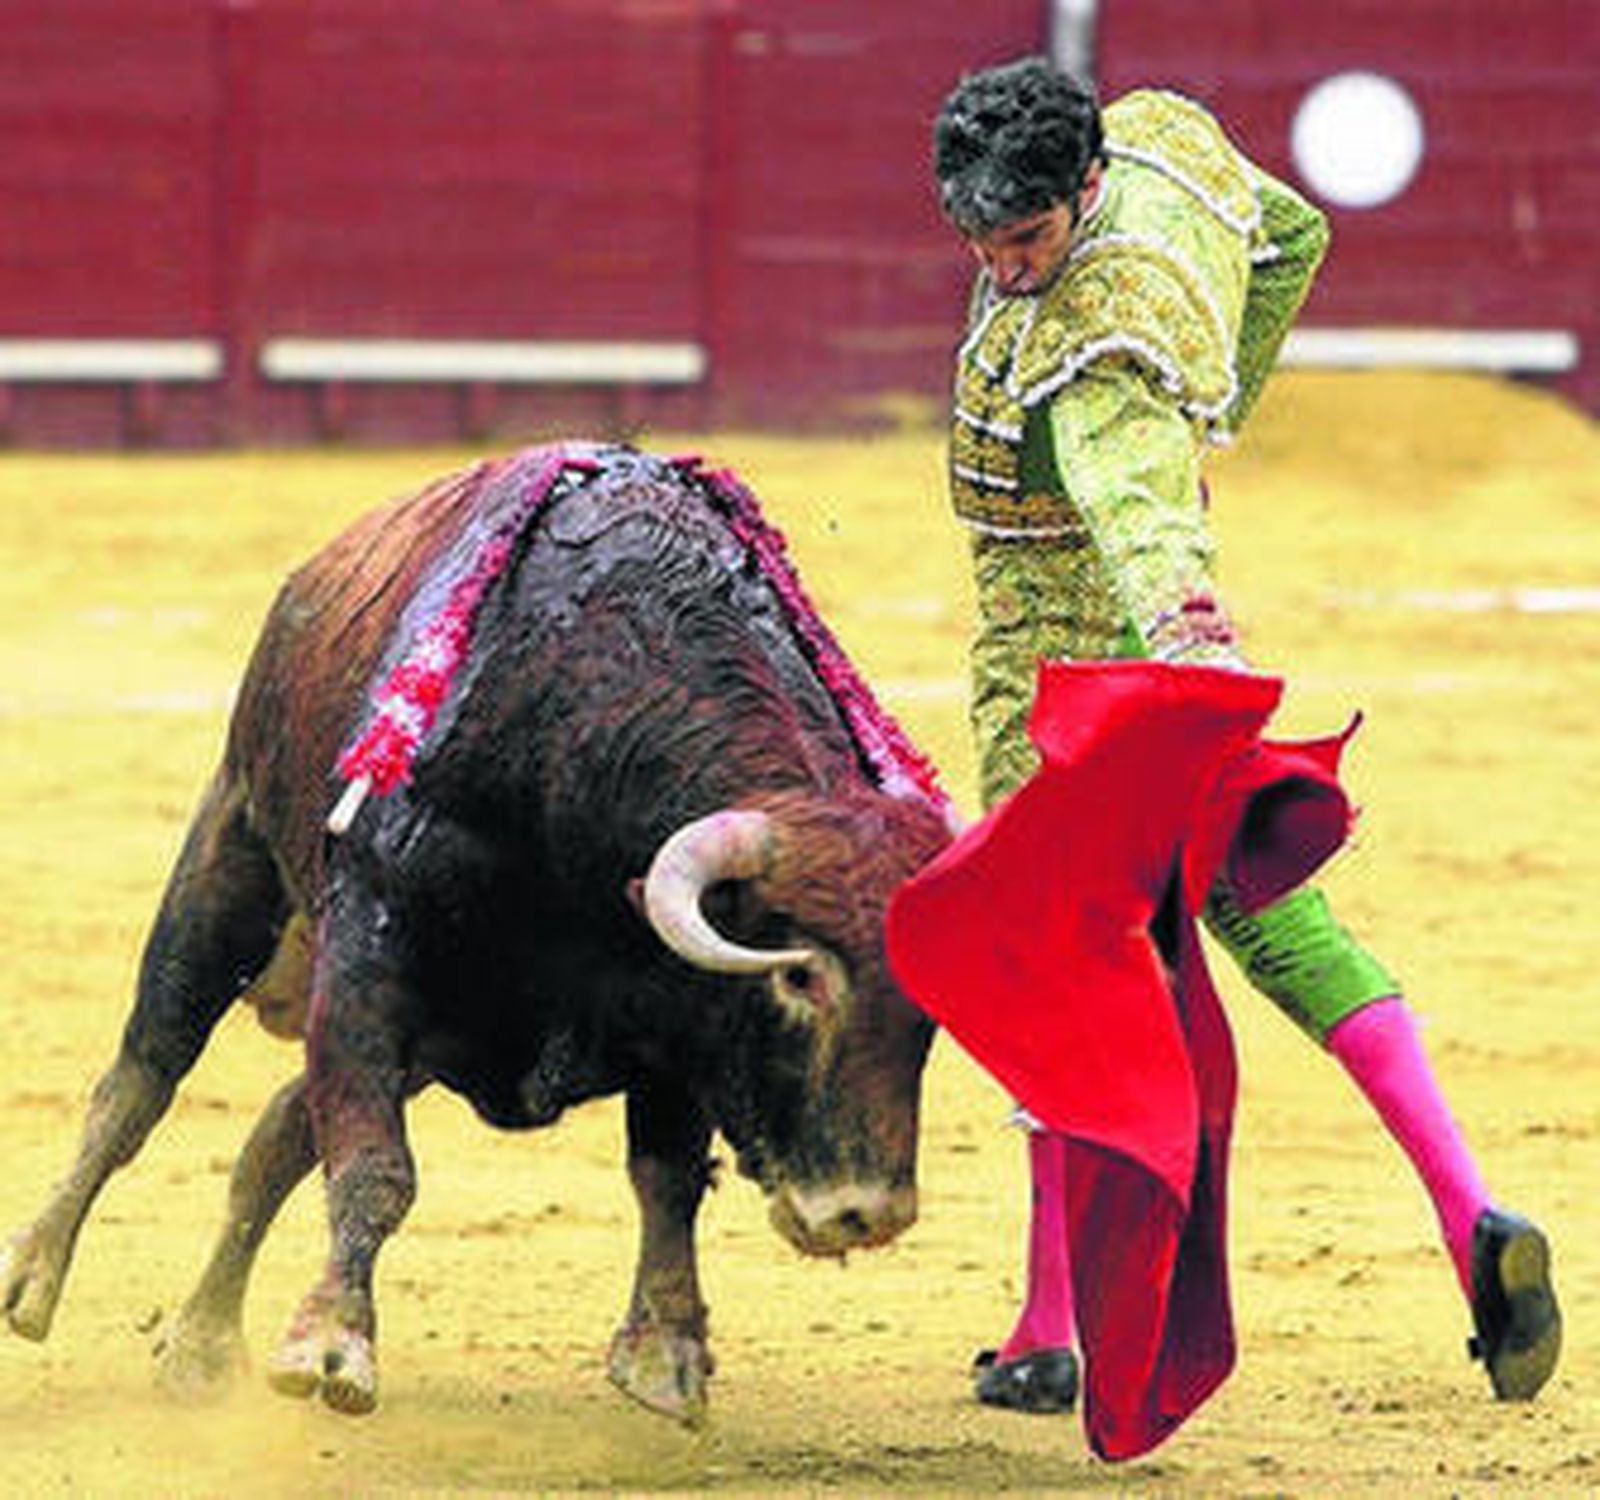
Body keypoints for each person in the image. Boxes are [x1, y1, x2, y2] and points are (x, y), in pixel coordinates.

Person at [927, 56, 1561, 1418]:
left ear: (1083, 193)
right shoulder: (1160, 150)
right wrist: (1218, 397)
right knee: (1279, 929)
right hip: (1151, 680)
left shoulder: (1094, 359)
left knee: (1042, 972)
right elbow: (1294, 238)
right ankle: (1470, 1215)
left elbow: (1131, 496)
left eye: (1026, 238)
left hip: (1065, 684)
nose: (1002, 265)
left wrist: (1180, 624)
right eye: (976, 237)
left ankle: (1050, 1324)